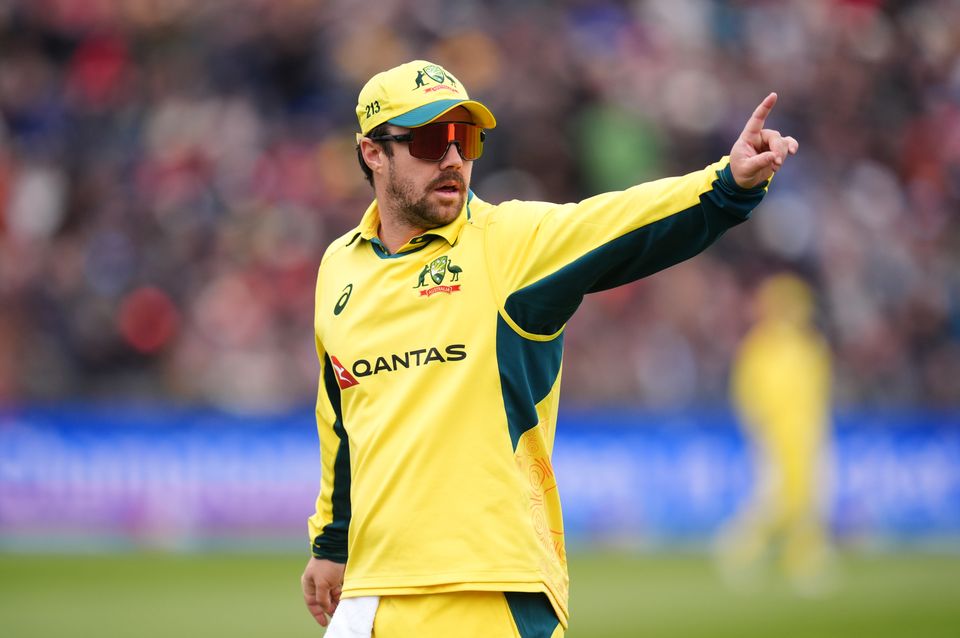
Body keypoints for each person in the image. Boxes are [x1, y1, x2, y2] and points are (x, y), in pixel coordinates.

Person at [300, 59, 798, 637]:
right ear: (372, 153)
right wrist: (333, 542)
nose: (454, 158)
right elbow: (338, 412)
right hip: (368, 597)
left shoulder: (509, 244)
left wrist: (727, 185)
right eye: (432, 140)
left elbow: (624, 224)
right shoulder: (339, 267)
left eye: (465, 140)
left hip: (491, 589)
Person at [715, 273, 834, 593]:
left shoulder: (807, 346)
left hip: (806, 436)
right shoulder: (762, 347)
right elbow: (749, 395)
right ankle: (739, 549)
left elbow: (817, 394)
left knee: (808, 499)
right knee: (777, 500)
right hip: (776, 438)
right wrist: (761, 430)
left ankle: (805, 561)